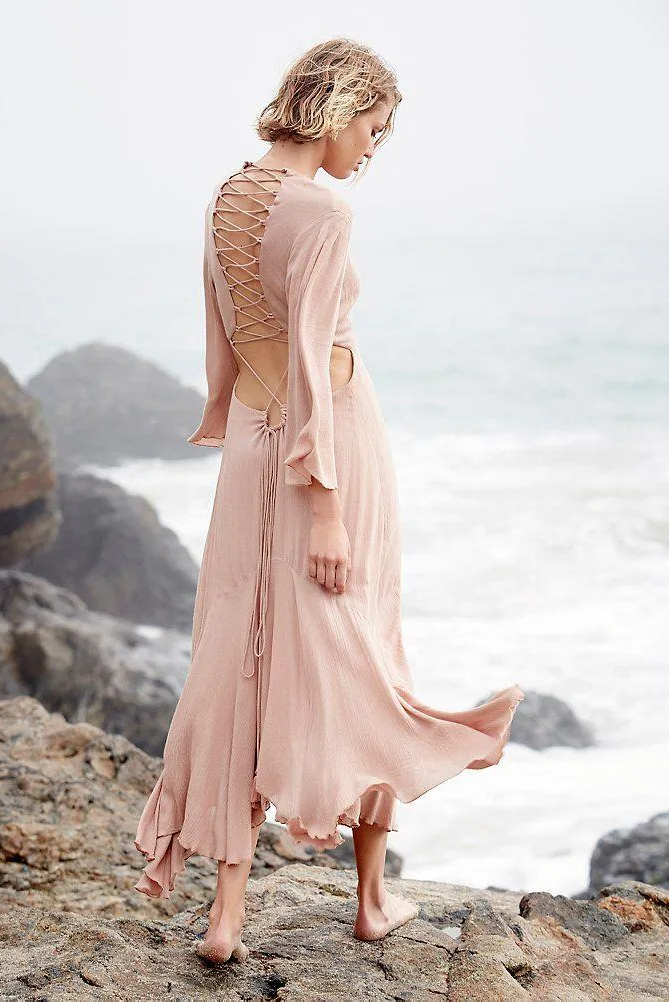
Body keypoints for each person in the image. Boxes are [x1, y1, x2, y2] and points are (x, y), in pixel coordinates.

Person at [134, 37, 525, 965]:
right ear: (341, 109)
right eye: (374, 131)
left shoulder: (229, 195)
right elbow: (314, 360)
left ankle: (225, 919)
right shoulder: (323, 211)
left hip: (248, 450)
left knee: (236, 661)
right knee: (361, 648)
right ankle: (372, 899)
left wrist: (245, 434)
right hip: (331, 445)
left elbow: (226, 336)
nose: (371, 151)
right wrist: (328, 507)